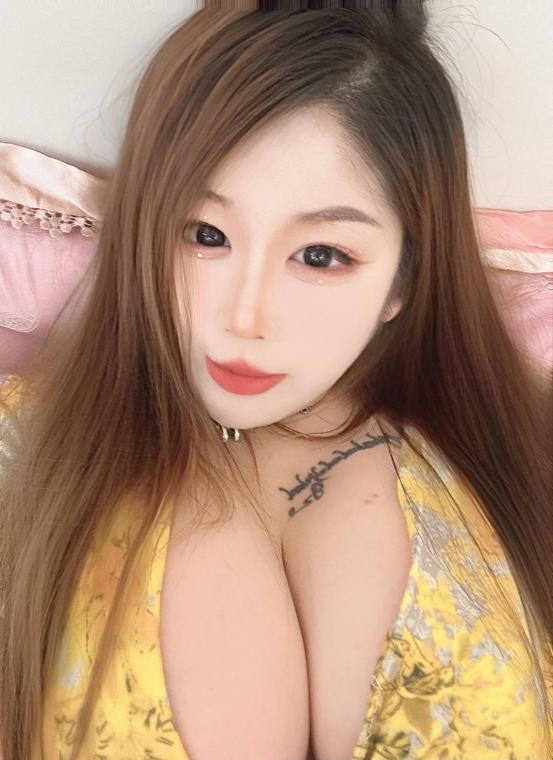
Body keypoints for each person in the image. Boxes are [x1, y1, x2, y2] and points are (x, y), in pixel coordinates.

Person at [1, 2, 551, 759]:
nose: (244, 316)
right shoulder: (22, 450)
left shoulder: (520, 466)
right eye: (205, 235)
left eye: (321, 255)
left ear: (403, 279)